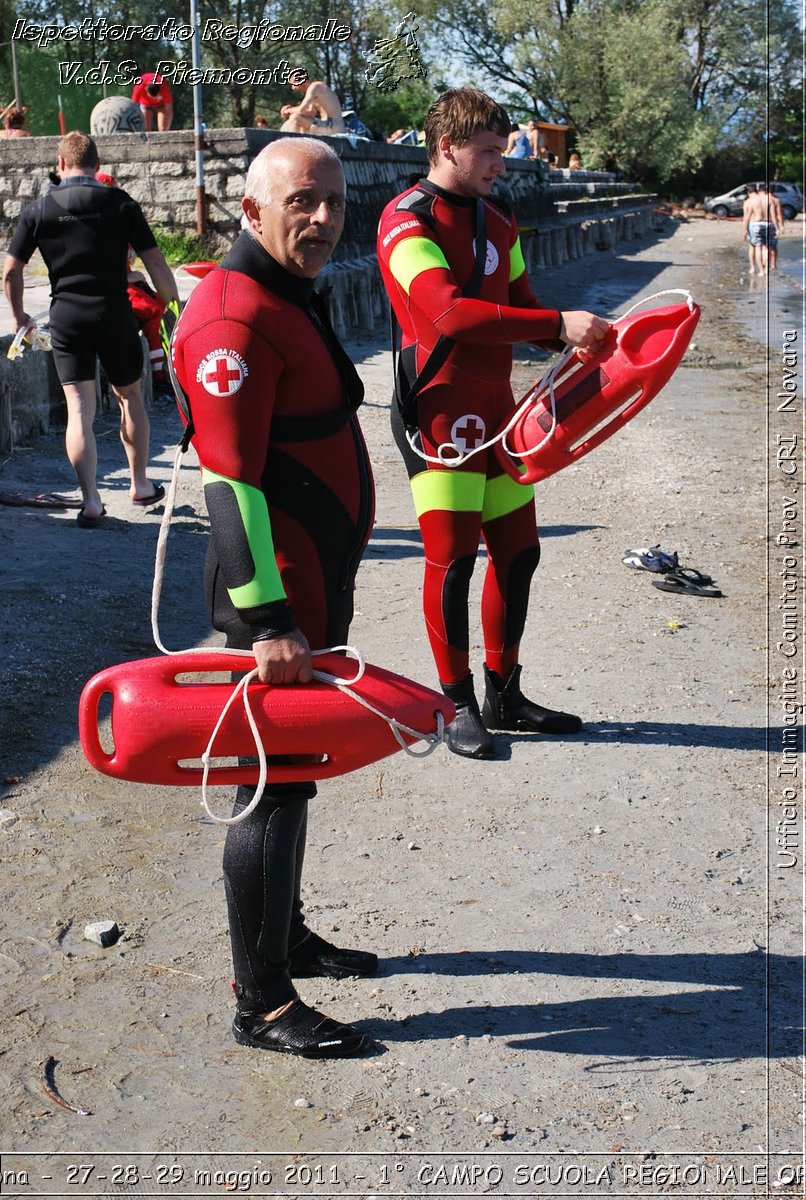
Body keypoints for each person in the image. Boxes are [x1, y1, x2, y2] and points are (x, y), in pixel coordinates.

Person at [171, 138, 376, 1058]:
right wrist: (269, 622)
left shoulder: (287, 291)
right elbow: (230, 487)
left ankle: (283, 936)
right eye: (303, 200)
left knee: (298, 775)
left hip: (311, 589)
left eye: (334, 201)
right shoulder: (232, 317)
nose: (324, 217)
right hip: (272, 604)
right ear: (250, 210)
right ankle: (262, 1002)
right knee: (268, 788)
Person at [376, 87, 609, 759]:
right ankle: (456, 705)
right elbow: (448, 313)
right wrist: (557, 324)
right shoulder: (404, 221)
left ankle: (504, 693)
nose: (500, 164)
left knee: (520, 552)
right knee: (453, 564)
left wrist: (583, 344)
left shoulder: (498, 222)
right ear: (446, 146)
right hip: (438, 412)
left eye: (502, 152)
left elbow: (524, 309)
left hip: (498, 416)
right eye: (488, 152)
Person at [3, 131, 178, 526]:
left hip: (66, 317)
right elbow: (156, 265)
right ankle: (139, 485)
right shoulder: (120, 203)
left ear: (60, 164)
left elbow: (11, 270)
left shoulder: (40, 209)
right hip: (114, 312)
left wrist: (19, 319)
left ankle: (92, 501)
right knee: (130, 398)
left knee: (79, 411)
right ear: (97, 167)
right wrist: (166, 302)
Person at [280, 75, 346, 135]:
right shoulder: (316, 89)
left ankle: (289, 141)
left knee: (295, 117)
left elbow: (301, 110)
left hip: (332, 127)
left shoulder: (315, 87)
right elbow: (311, 113)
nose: (293, 88)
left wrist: (288, 110)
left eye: (293, 84)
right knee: (297, 118)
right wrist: (291, 110)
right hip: (330, 126)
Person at [742, 183, 784, 275]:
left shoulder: (751, 201)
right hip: (768, 224)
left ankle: (760, 270)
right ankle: (766, 269)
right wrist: (777, 228)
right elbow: (773, 216)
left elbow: (746, 217)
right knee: (766, 247)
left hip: (756, 224)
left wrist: (744, 230)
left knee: (757, 247)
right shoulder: (770, 200)